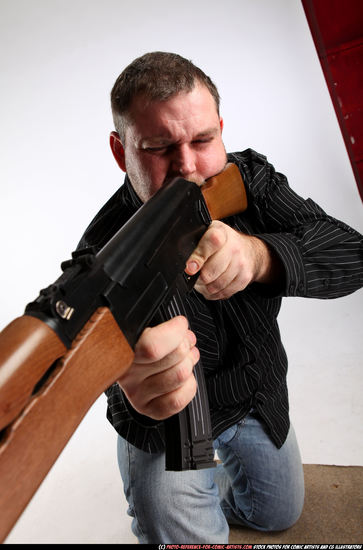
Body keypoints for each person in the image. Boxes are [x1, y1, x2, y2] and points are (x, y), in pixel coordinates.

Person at [77, 52, 363, 543]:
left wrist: (260, 256)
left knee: (278, 515)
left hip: (254, 395)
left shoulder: (249, 179)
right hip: (164, 428)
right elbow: (88, 366)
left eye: (204, 141)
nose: (187, 167)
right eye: (159, 147)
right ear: (121, 152)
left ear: (221, 130)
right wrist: (125, 380)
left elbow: (351, 252)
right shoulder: (100, 252)